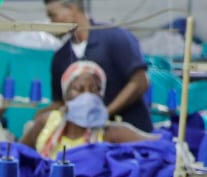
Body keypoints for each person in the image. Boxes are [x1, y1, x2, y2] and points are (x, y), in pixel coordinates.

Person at [44, 0, 151, 131]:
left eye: (53, 15)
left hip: (131, 136)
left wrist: (105, 114)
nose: (51, 22)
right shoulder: (61, 58)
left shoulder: (115, 38)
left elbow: (140, 82)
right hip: (88, 140)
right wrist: (41, 117)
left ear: (71, 9)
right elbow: (60, 102)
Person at [21, 59, 155, 160]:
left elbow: (158, 145)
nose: (87, 96)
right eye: (79, 89)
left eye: (94, 89)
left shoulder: (111, 133)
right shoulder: (48, 122)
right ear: (66, 95)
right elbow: (19, 154)